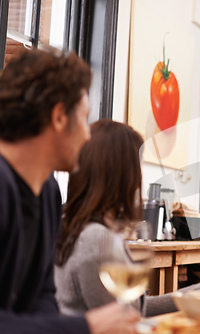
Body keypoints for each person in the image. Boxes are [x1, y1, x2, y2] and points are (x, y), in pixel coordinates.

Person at [0, 49, 139, 333]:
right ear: (60, 117)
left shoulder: (49, 191)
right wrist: (85, 327)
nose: (88, 135)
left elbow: (43, 296)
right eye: (84, 118)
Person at [55, 119, 200, 316]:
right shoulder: (96, 237)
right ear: (122, 173)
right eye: (137, 166)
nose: (140, 176)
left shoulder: (77, 224)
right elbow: (125, 318)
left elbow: (135, 307)